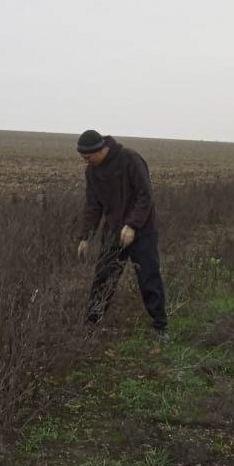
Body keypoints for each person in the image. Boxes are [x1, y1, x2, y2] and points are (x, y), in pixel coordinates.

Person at [76, 129, 168, 339]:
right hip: (113, 234)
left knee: (148, 277)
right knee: (103, 278)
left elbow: (146, 195)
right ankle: (90, 327)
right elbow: (93, 205)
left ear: (101, 150)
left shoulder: (130, 159)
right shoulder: (92, 172)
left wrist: (133, 224)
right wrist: (85, 236)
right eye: (83, 158)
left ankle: (160, 325)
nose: (86, 162)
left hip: (142, 231)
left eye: (88, 157)